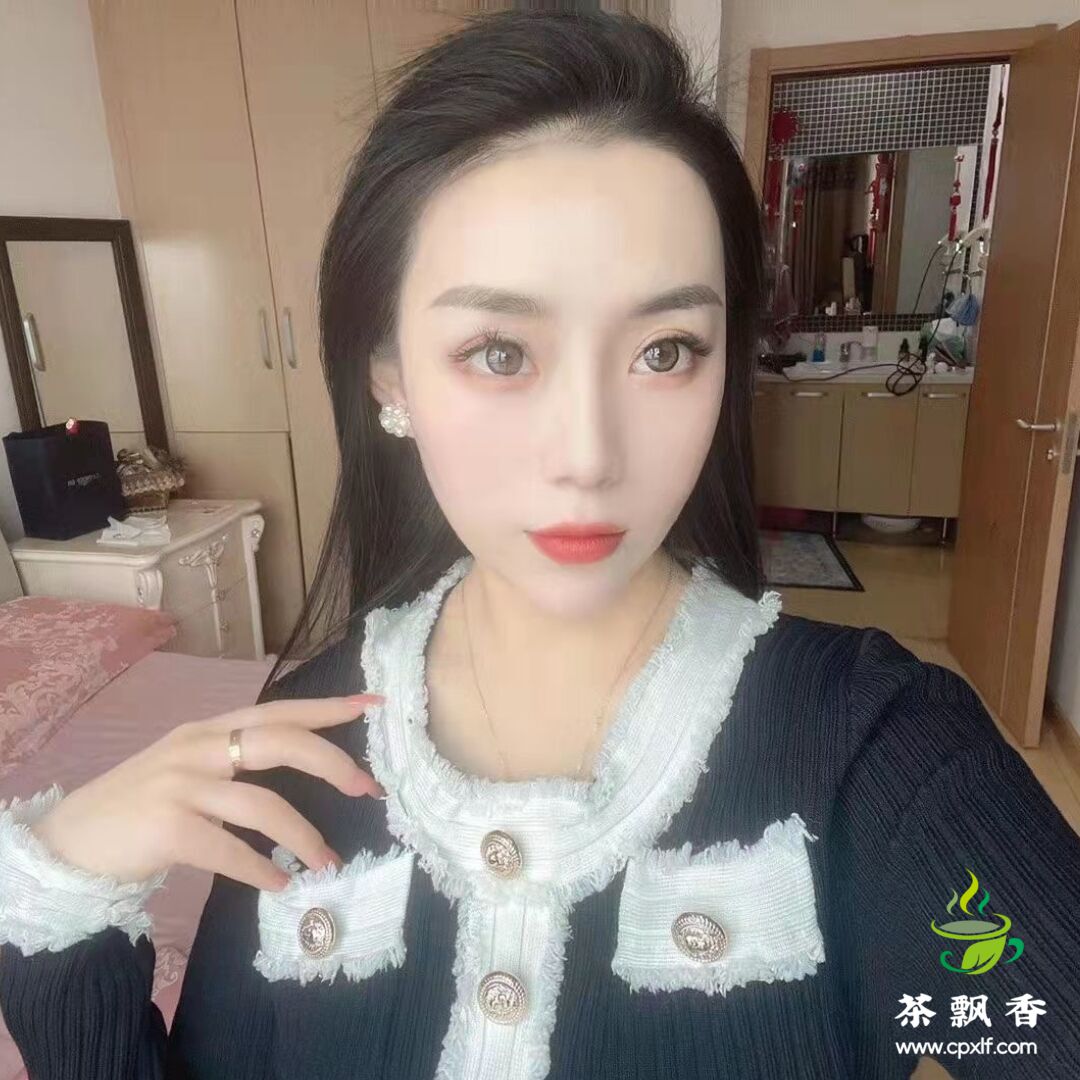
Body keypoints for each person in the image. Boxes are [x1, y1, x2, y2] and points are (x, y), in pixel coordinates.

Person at [2, 9, 1079, 1079]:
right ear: (388, 377)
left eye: (666, 350)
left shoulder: (883, 752)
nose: (588, 456)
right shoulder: (300, 760)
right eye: (500, 352)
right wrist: (61, 885)